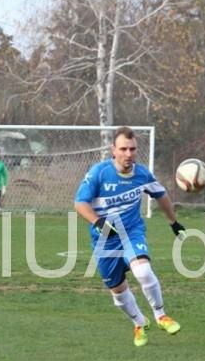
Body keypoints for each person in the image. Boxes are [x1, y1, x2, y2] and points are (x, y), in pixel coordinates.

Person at [74, 126, 186, 347]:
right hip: (105, 240)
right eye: (123, 149)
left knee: (143, 271)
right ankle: (139, 323)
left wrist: (173, 222)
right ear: (113, 150)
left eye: (132, 149)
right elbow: (80, 203)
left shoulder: (142, 174)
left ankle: (161, 315)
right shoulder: (99, 173)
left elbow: (161, 195)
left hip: (132, 232)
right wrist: (99, 222)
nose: (128, 154)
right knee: (118, 291)